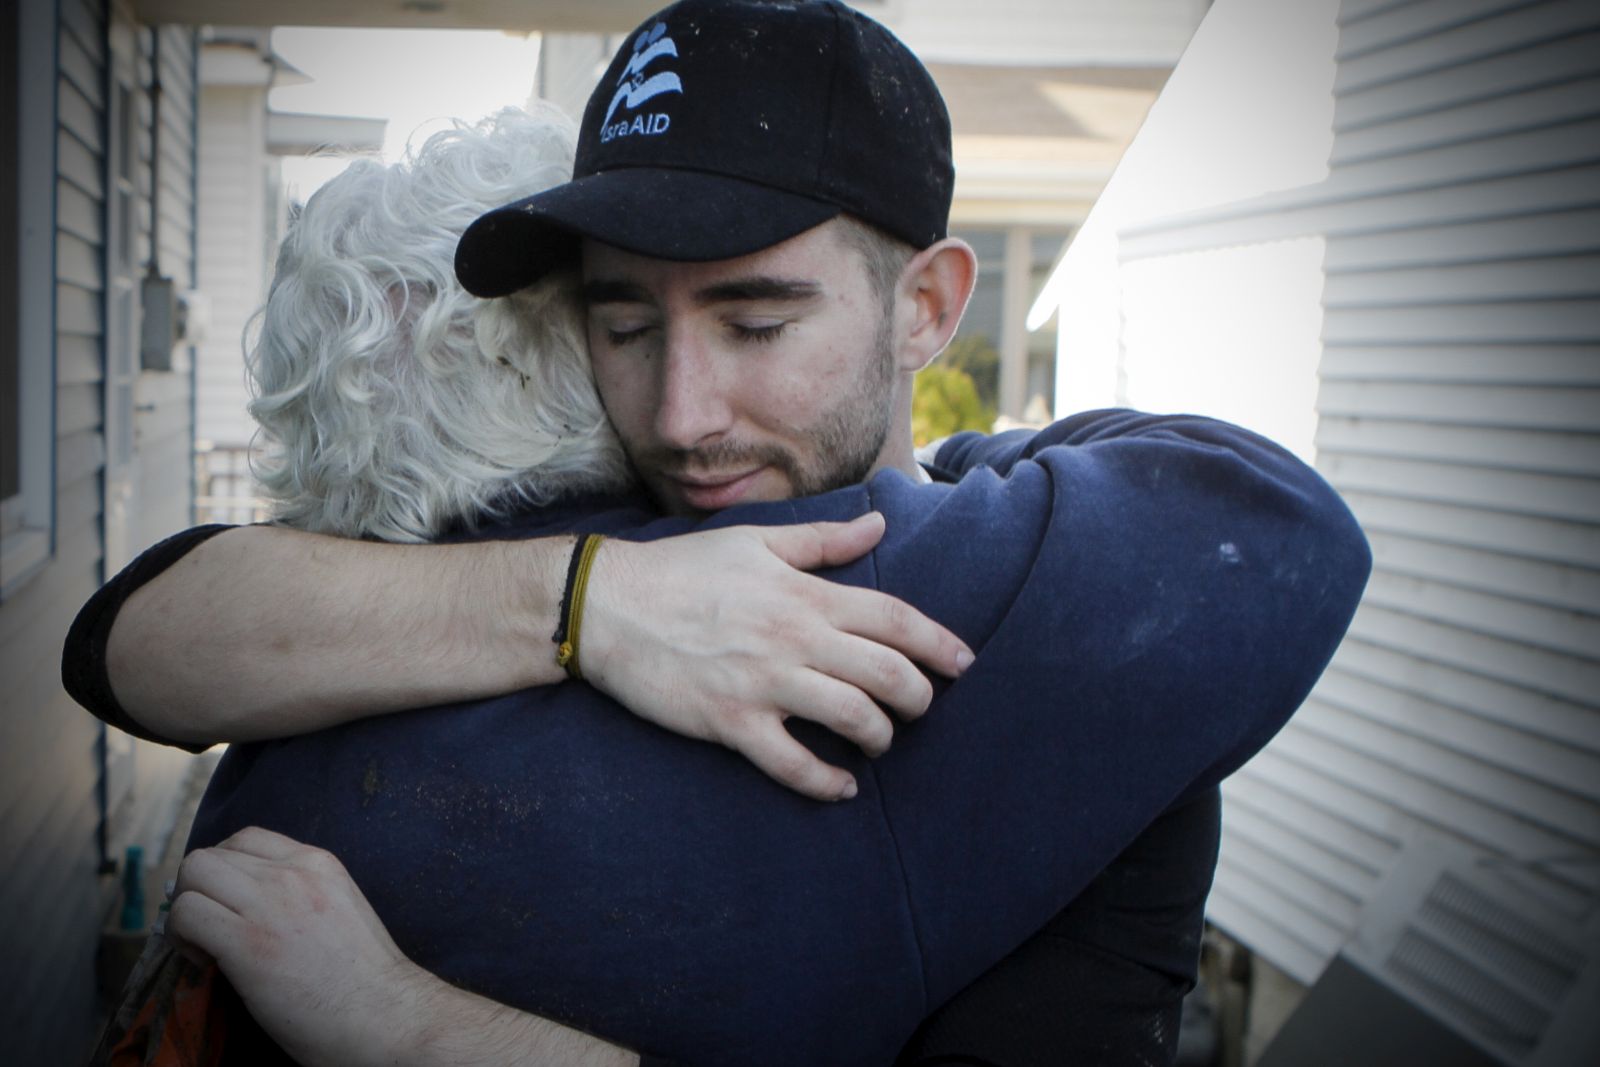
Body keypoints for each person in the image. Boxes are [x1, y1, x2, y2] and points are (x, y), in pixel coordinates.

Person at [65, 3, 1370, 1065]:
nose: (684, 418)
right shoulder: (570, 592)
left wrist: (412, 1029)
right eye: (623, 327)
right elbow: (128, 639)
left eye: (757, 324)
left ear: (929, 309)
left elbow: (1282, 535)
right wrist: (593, 602)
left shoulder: (959, 615)